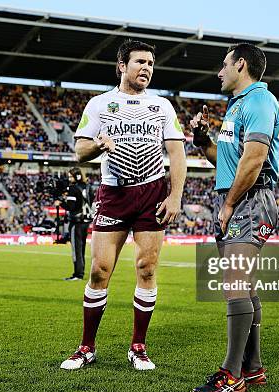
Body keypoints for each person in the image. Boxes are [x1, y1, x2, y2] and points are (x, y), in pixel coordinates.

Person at [60, 39, 186, 371]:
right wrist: (99, 145)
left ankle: (138, 346)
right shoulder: (99, 105)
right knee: (100, 270)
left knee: (147, 269)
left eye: (150, 63)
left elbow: (176, 154)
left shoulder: (162, 106)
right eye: (140, 62)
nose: (146, 68)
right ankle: (87, 347)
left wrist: (175, 196)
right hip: (114, 194)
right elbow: (80, 151)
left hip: (152, 194)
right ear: (122, 66)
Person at [190, 43, 279, 392]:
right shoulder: (238, 105)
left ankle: (231, 374)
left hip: (249, 199)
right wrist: (203, 141)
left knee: (234, 285)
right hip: (240, 195)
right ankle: (253, 368)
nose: (219, 72)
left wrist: (228, 205)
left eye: (224, 65)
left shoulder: (259, 100)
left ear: (240, 64)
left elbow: (255, 160)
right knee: (244, 286)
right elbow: (228, 162)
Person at [55, 167, 94, 281]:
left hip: (76, 222)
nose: (69, 178)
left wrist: (61, 203)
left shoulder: (73, 188)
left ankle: (78, 274)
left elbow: (71, 207)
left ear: (76, 176)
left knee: (76, 250)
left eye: (71, 176)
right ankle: (81, 271)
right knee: (81, 249)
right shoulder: (88, 187)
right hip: (86, 221)